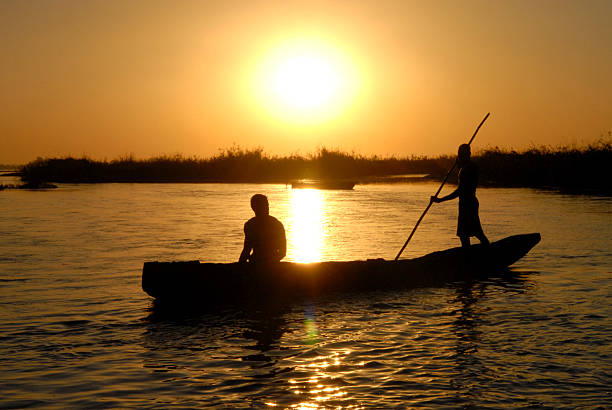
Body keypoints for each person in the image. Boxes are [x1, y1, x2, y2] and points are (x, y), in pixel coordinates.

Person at [431, 144, 489, 248]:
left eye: (461, 154)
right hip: (465, 203)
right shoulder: (465, 167)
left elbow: (460, 191)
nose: (459, 156)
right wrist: (459, 166)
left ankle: (487, 250)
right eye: (459, 154)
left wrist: (440, 200)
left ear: (468, 154)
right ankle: (468, 255)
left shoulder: (469, 167)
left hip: (469, 203)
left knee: (475, 231)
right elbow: (461, 183)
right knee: (464, 234)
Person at [239, 194, 286, 264]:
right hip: (257, 262)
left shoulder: (276, 224)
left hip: (270, 264)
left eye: (267, 205)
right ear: (254, 207)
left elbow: (282, 252)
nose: (267, 208)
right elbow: (247, 249)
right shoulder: (250, 225)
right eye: (264, 205)